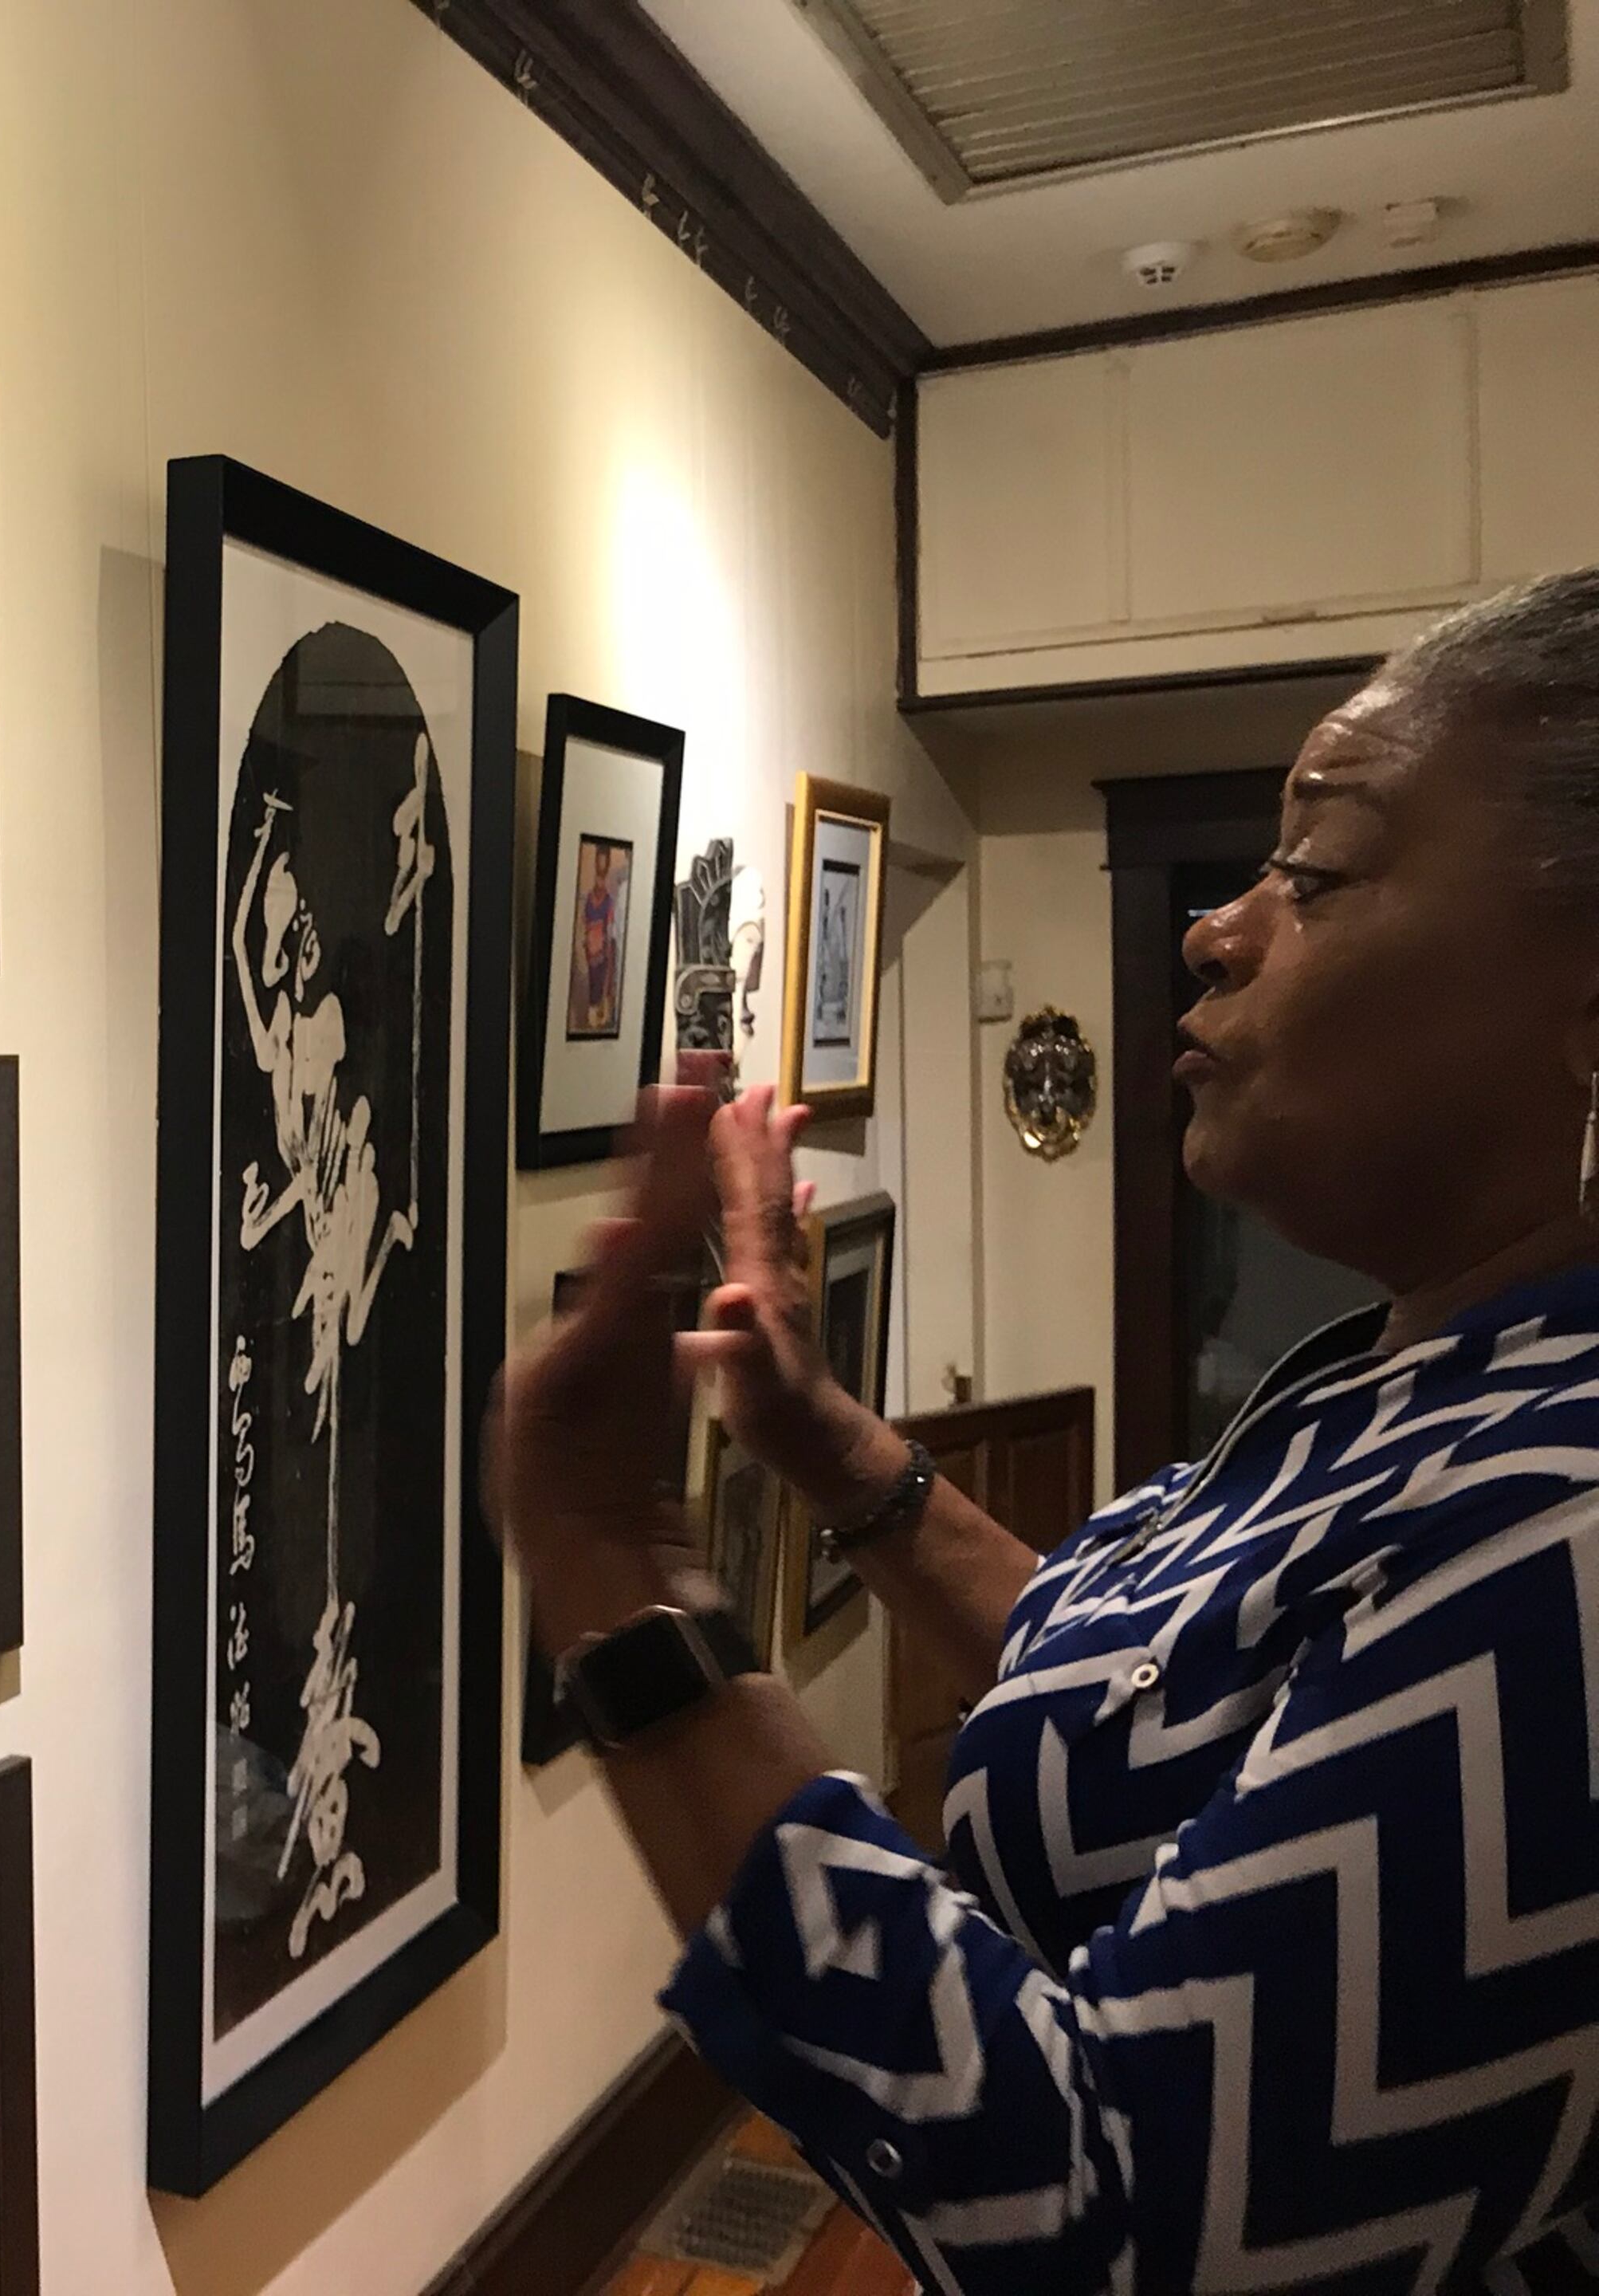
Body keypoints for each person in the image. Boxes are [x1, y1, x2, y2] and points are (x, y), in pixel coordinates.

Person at [496, 568, 1599, 2292]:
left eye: (1313, 874)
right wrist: (831, 1448)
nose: (1218, 928)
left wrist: (612, 1562)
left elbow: (1114, 2216)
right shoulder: (1416, 1372)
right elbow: (1158, 1698)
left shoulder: (1576, 1533)